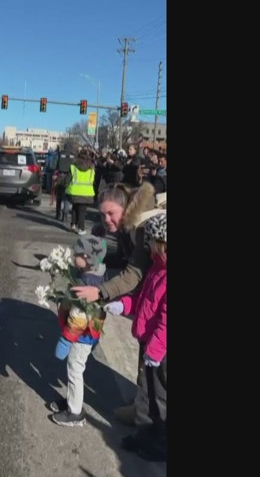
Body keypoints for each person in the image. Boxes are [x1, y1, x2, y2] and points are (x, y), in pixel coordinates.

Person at [70, 181, 160, 424]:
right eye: (102, 214)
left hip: (159, 295)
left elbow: (134, 273)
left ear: (125, 208)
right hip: (151, 293)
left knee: (155, 356)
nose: (107, 219)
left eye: (111, 213)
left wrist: (99, 292)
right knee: (146, 351)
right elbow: (124, 259)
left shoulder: (141, 225)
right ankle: (142, 404)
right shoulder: (128, 223)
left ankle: (149, 414)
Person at [104, 213, 167, 462]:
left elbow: (166, 319)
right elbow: (145, 299)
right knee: (147, 391)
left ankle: (160, 440)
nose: (148, 246)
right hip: (148, 342)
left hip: (160, 349)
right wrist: (125, 305)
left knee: (160, 397)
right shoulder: (157, 268)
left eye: (151, 242)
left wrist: (156, 350)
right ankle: (146, 432)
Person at [48, 235, 110, 427]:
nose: (73, 256)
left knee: (75, 369)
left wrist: (66, 340)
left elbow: (79, 315)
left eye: (76, 254)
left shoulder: (86, 282)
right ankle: (71, 401)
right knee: (74, 368)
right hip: (90, 331)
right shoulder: (97, 274)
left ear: (87, 257)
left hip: (82, 335)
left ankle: (75, 412)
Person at [64, 149, 97, 234]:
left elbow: (67, 179)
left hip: (74, 191)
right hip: (87, 193)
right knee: (82, 211)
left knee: (75, 208)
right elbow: (93, 181)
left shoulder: (73, 167)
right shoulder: (91, 168)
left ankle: (73, 225)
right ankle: (81, 228)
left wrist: (65, 186)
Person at [54, 143, 75, 223]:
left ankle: (57, 214)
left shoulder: (60, 154)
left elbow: (55, 164)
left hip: (60, 176)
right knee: (67, 197)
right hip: (70, 177)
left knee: (59, 197)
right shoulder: (74, 155)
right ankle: (64, 215)